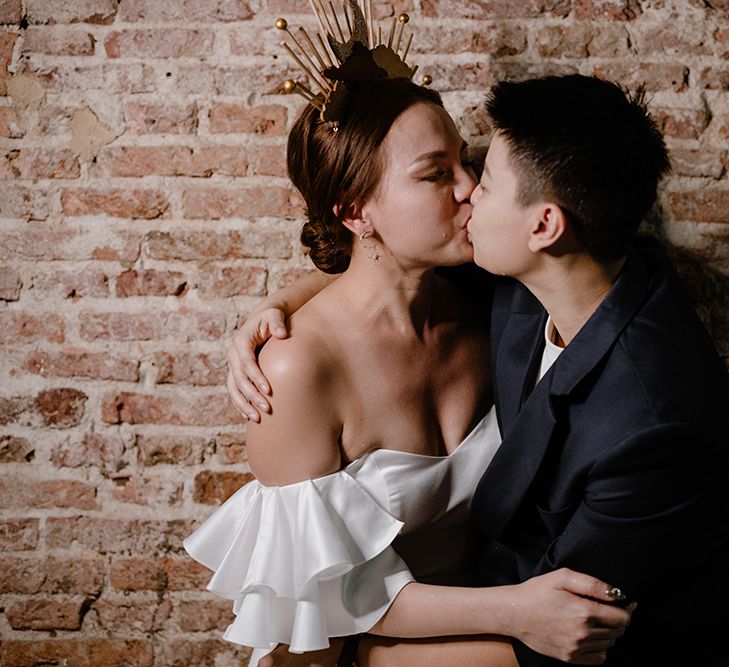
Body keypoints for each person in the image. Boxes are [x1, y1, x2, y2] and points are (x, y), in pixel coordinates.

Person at [228, 75, 729, 666]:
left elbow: (572, 629)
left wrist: (375, 659)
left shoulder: (646, 413)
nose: (468, 191)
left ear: (543, 226)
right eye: (440, 172)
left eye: (479, 176)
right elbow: (377, 277)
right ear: (358, 212)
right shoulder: (518, 273)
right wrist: (277, 307)